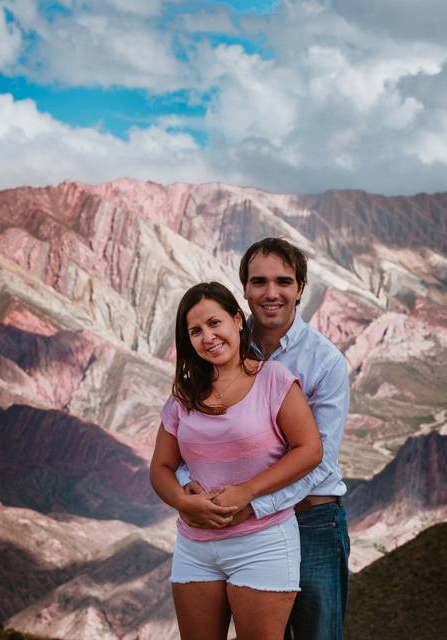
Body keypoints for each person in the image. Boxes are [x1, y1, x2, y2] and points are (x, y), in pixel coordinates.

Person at [178, 238, 351, 640]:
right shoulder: (223, 345)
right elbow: (193, 430)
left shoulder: (323, 362)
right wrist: (191, 484)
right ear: (244, 290)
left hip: (312, 522)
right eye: (259, 281)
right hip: (236, 526)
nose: (271, 293)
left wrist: (253, 504)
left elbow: (319, 460)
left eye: (283, 281)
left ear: (300, 289)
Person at [150, 281, 323, 640]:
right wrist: (183, 501)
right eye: (195, 331)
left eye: (215, 323)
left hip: (263, 542)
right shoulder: (184, 395)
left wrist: (247, 492)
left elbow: (309, 449)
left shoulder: (273, 380)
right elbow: (161, 467)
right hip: (195, 546)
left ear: (237, 320)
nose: (207, 337)